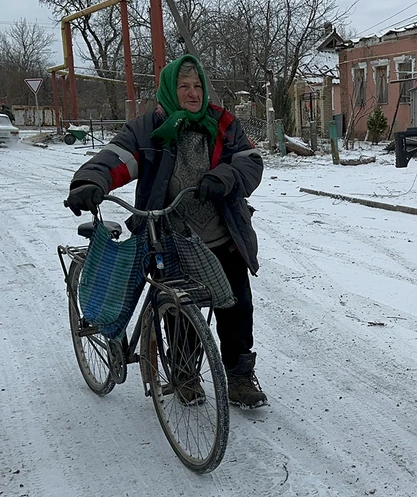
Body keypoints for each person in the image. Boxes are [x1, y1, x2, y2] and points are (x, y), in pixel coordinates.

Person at [65, 54, 267, 410]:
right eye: (183, 86)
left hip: (223, 235)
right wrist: (91, 180)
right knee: (176, 310)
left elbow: (248, 162)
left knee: (237, 308)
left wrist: (225, 177)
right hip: (168, 234)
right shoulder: (148, 129)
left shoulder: (223, 123)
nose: (192, 93)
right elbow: (115, 159)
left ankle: (237, 376)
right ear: (169, 91)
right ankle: (184, 373)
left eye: (197, 86)